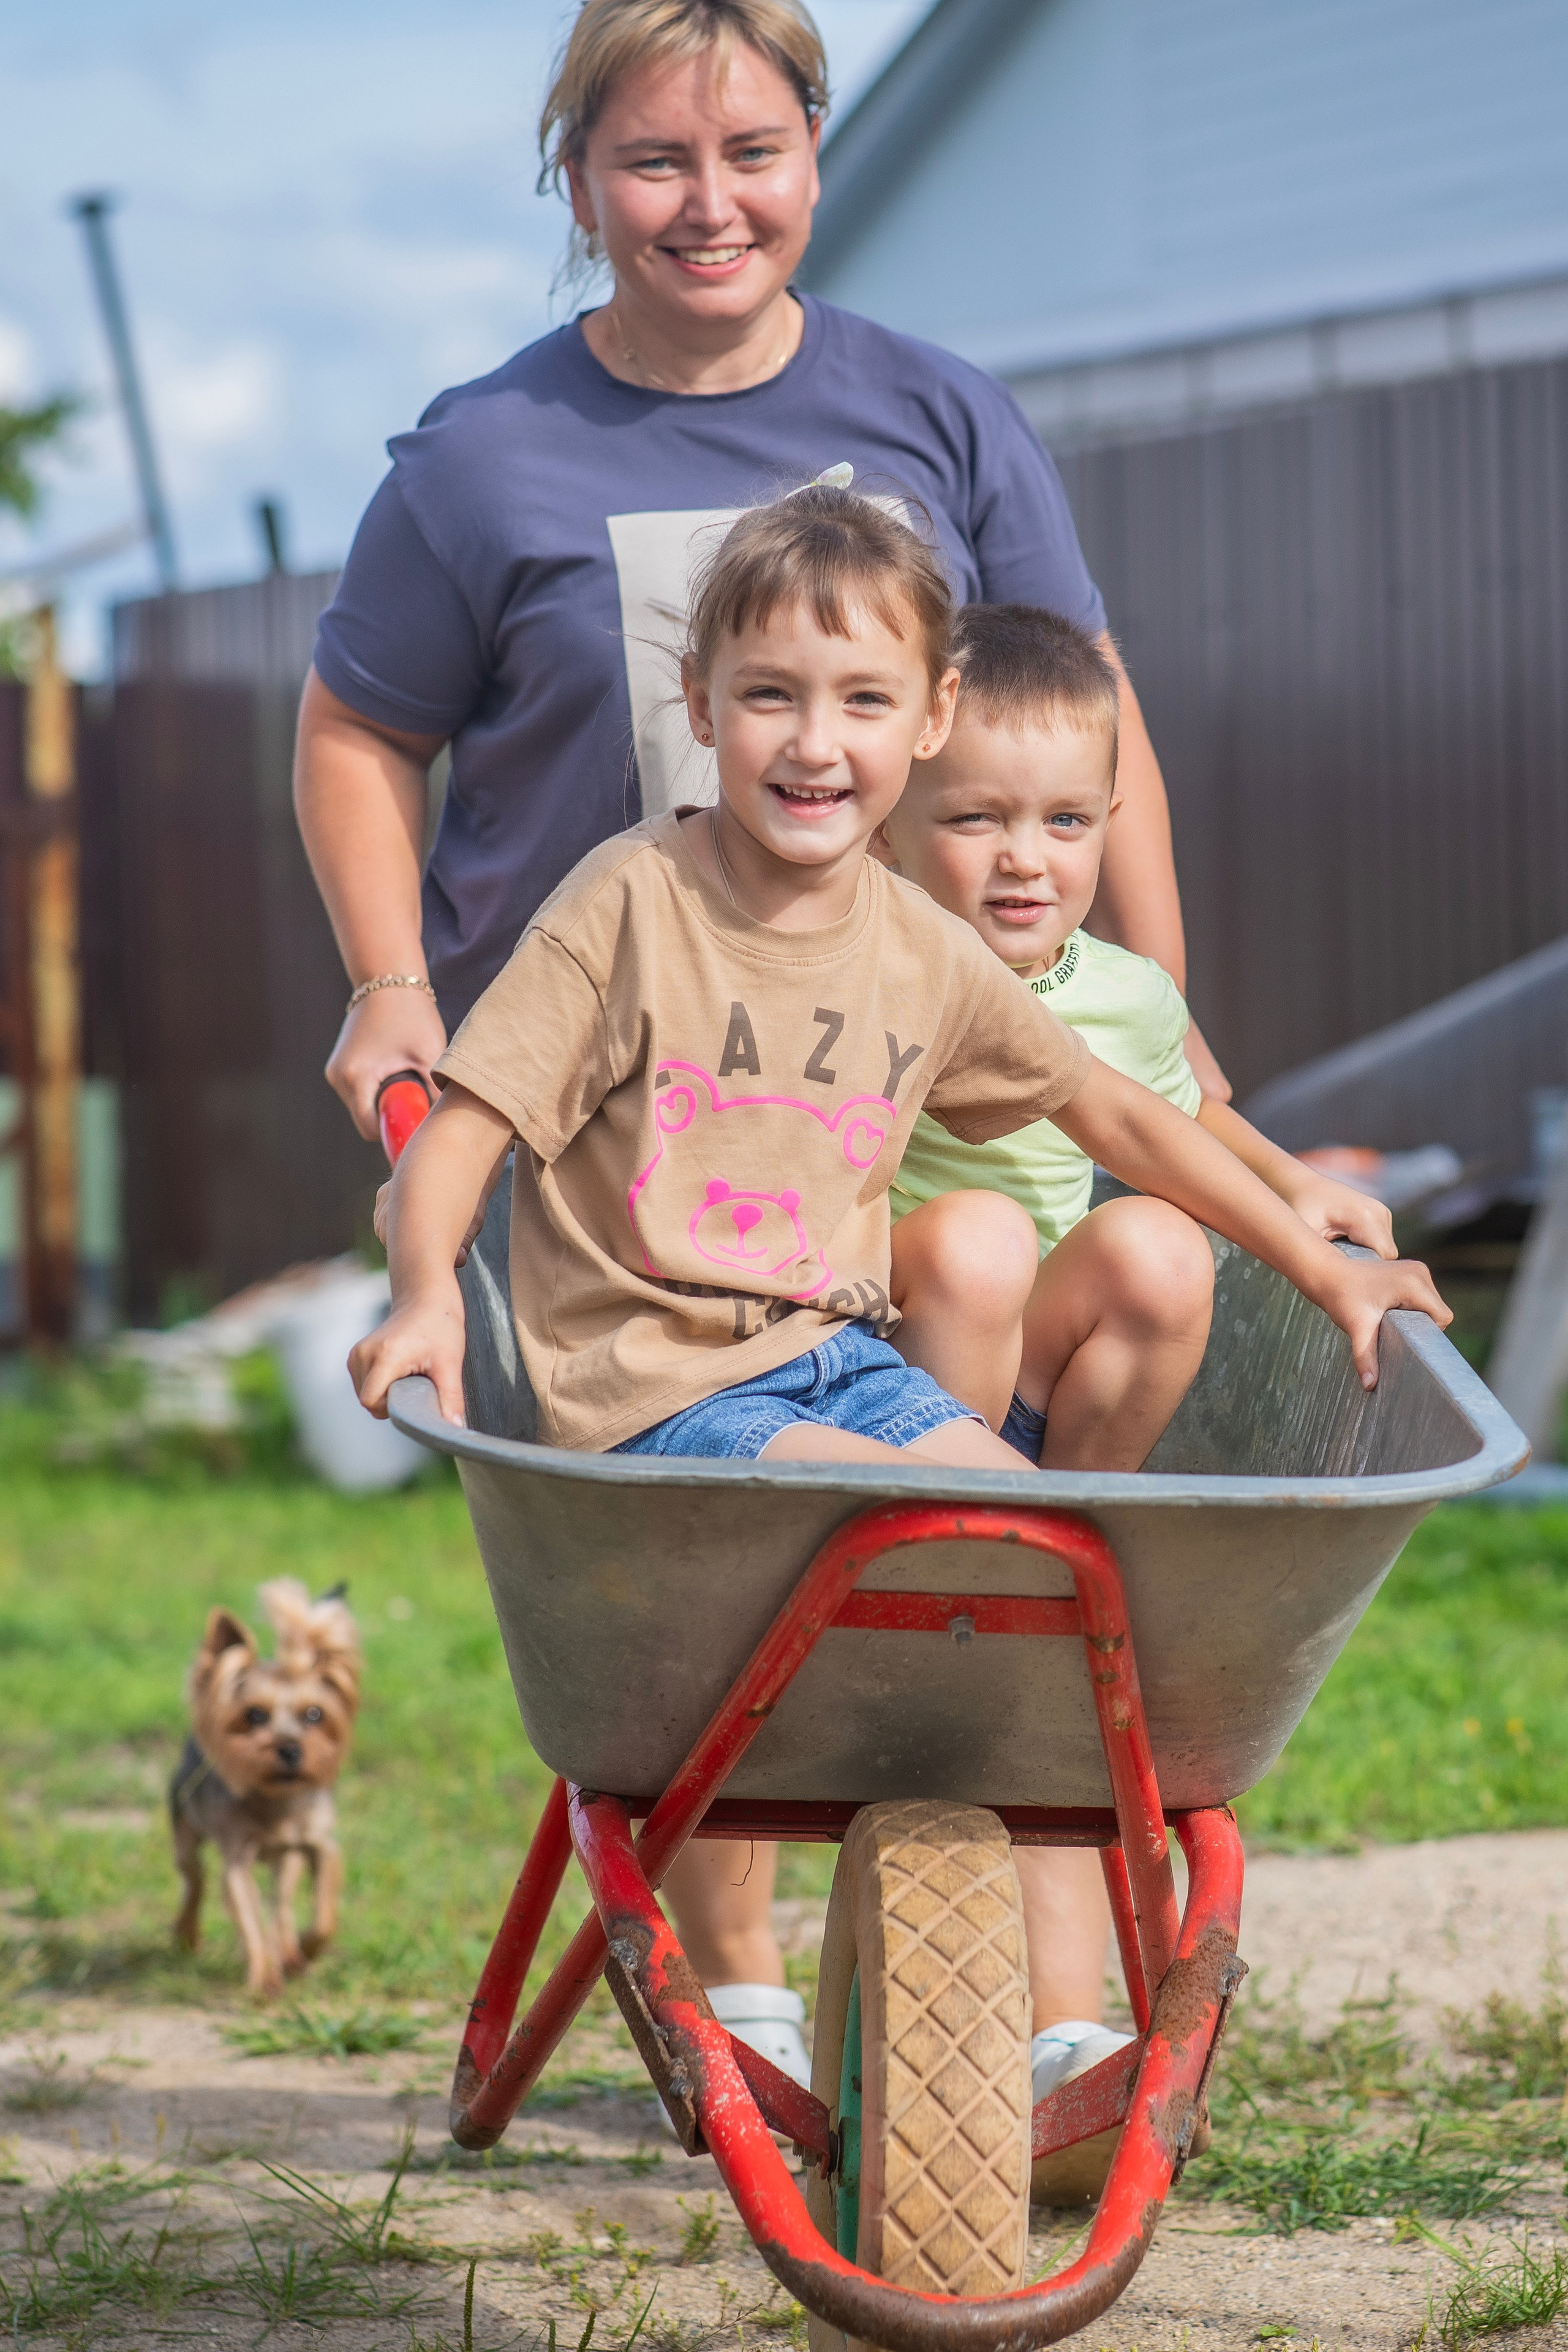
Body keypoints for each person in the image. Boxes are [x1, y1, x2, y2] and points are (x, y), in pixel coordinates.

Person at [295, 0, 1218, 2095]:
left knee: (947, 1490)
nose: (707, 204)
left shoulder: (939, 415)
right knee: (721, 1548)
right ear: (577, 180)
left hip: (889, 1075)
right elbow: (360, 726)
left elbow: (1088, 723)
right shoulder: (483, 457)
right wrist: (390, 988)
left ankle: (1020, 1942)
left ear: (816, 145)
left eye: (752, 150)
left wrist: (1170, 1027)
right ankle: (748, 1980)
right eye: (650, 160)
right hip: (623, 1135)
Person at [348, 486, 1451, 2119]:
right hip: (651, 1396)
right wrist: (433, 1292)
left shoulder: (919, 949)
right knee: (910, 1527)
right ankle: (801, 1969)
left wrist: (1315, 1251)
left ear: (928, 719)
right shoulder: (631, 905)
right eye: (773, 696)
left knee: (1046, 1571)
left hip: (836, 1365)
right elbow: (468, 1128)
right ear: (699, 705)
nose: (816, 743)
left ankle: (1000, 1978)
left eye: (864, 702)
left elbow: (1126, 1121)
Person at [876, 602, 1403, 2120]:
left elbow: (1172, 1127)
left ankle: (1056, 1519)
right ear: (899, 818)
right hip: (875, 1372)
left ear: (1112, 820)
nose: (1020, 857)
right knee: (973, 1236)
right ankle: (959, 1514)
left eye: (1060, 819)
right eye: (970, 818)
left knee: (1163, 1249)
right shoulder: (871, 951)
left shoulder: (1123, 992)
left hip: (1025, 1369)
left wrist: (1290, 1188)